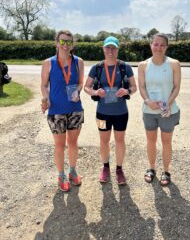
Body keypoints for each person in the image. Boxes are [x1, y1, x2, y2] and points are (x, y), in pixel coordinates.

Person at [84, 36, 137, 185]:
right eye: (108, 47)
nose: (110, 51)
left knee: (120, 141)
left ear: (118, 50)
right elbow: (86, 87)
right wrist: (95, 93)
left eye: (113, 48)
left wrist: (126, 91)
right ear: (103, 49)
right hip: (102, 113)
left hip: (121, 113)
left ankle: (119, 169)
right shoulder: (97, 67)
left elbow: (134, 88)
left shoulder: (124, 66)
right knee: (103, 141)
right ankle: (105, 167)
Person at [41, 30, 84, 192]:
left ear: (72, 44)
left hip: (75, 109)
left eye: (68, 42)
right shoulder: (49, 63)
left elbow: (81, 83)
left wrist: (77, 91)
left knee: (73, 143)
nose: (65, 45)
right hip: (56, 110)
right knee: (59, 145)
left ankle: (72, 171)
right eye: (62, 41)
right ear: (57, 43)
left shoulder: (78, 62)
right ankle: (61, 175)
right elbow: (44, 85)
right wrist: (46, 98)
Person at [138, 33, 181, 186]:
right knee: (151, 140)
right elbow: (141, 87)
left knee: (166, 141)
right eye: (155, 44)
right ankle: (151, 168)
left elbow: (176, 87)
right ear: (151, 45)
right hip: (149, 111)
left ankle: (166, 170)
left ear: (166, 47)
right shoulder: (143, 65)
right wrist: (148, 101)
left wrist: (168, 104)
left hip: (168, 110)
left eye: (162, 45)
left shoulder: (174, 64)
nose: (158, 48)